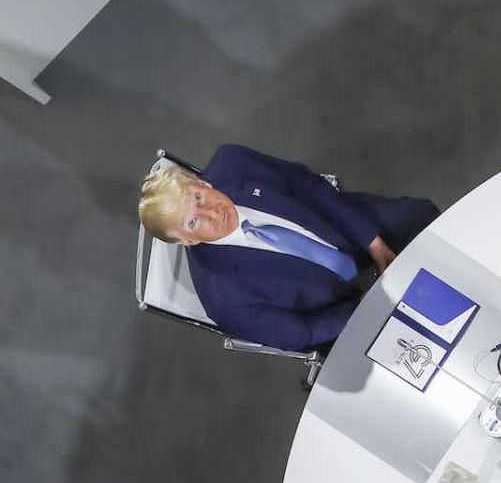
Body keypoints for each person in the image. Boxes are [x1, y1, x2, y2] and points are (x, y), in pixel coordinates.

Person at [137, 147, 440, 352]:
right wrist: (368, 308)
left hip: (343, 228)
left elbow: (308, 185)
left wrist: (373, 242)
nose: (212, 214)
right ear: (187, 241)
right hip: (338, 309)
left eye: (199, 199)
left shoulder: (233, 161)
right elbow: (302, 333)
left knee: (422, 217)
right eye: (192, 222)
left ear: (200, 184)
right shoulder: (222, 299)